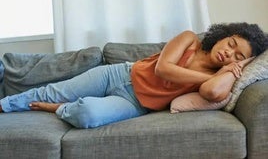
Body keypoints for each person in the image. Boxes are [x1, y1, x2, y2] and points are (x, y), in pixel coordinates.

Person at [0, 22, 267, 128]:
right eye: (231, 44)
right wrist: (209, 76)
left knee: (87, 116)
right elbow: (163, 69)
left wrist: (235, 70)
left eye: (238, 57)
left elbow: (212, 93)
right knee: (52, 89)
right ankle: (4, 105)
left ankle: (59, 109)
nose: (229, 54)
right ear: (224, 36)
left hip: (135, 104)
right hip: (119, 75)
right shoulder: (189, 39)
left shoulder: (220, 75)